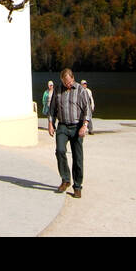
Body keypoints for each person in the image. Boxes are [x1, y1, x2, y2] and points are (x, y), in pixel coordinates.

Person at [47, 68, 92, 198]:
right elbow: (52, 109)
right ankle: (65, 179)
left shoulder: (81, 90)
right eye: (64, 82)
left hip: (77, 126)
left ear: (73, 78)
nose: (67, 84)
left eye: (69, 81)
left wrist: (85, 126)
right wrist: (50, 124)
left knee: (77, 158)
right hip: (63, 126)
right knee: (60, 151)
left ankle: (77, 186)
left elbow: (87, 110)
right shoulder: (58, 90)